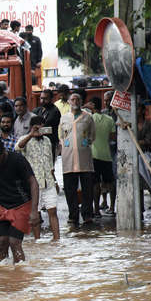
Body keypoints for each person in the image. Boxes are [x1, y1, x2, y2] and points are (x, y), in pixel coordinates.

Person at [0, 138, 40, 263]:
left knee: (14, 242)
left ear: (3, 151)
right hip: (3, 205)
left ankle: (20, 275)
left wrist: (34, 210)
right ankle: (4, 278)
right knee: (0, 243)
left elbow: (33, 183)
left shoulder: (17, 159)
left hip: (23, 203)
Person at [16, 116, 59, 240]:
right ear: (31, 127)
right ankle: (37, 241)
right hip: (34, 184)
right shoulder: (25, 139)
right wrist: (31, 134)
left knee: (53, 211)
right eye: (37, 127)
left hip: (49, 182)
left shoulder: (47, 140)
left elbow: (50, 163)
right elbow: (18, 147)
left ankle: (57, 240)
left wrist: (55, 181)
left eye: (42, 126)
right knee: (36, 213)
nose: (39, 130)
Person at [59, 92, 96, 227]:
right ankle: (73, 216)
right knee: (70, 189)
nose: (75, 101)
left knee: (87, 189)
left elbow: (93, 134)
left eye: (77, 99)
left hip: (84, 158)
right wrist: (64, 144)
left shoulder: (88, 117)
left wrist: (87, 142)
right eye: (73, 99)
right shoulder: (64, 118)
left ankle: (87, 215)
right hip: (68, 159)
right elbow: (61, 135)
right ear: (69, 101)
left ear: (81, 102)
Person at [86, 97, 115, 216]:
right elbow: (113, 137)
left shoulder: (89, 119)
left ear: (92, 105)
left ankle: (96, 210)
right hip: (107, 155)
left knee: (95, 184)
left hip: (93, 155)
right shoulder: (109, 119)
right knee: (110, 182)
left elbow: (86, 137)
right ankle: (112, 207)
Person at [33, 89, 62, 154]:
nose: (42, 101)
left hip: (50, 142)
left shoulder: (55, 111)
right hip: (39, 141)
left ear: (51, 99)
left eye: (45, 99)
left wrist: (36, 130)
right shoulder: (39, 110)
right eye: (41, 98)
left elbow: (50, 129)